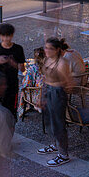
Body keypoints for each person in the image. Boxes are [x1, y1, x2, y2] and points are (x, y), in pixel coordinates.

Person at [37, 37, 74, 166]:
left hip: (57, 92)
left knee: (58, 123)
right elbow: (45, 79)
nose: (46, 50)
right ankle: (55, 144)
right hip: (48, 89)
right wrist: (42, 96)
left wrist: (58, 93)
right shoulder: (48, 59)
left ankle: (63, 154)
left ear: (57, 50)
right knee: (49, 121)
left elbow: (68, 83)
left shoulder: (62, 63)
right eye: (46, 47)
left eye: (50, 48)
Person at [0, 23, 26, 122]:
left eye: (8, 36)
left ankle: (9, 133)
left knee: (11, 114)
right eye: (3, 36)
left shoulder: (18, 49)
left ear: (12, 35)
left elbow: (22, 69)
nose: (6, 38)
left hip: (12, 87)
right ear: (0, 36)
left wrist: (13, 63)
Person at [19, 48, 46, 117]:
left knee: (23, 90)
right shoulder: (50, 66)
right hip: (50, 95)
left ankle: (23, 109)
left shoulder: (33, 68)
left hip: (38, 96)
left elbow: (26, 84)